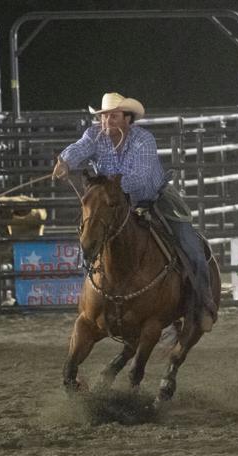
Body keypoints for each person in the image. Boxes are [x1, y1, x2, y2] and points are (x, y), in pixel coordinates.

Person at [52, 92, 216, 331]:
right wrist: (65, 162)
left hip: (153, 198)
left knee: (191, 245)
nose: (108, 121)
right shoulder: (94, 135)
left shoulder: (143, 140)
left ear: (127, 119)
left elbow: (139, 178)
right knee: (90, 236)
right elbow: (79, 148)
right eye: (105, 116)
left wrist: (113, 190)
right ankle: (94, 297)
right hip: (113, 203)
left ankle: (204, 303)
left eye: (114, 116)